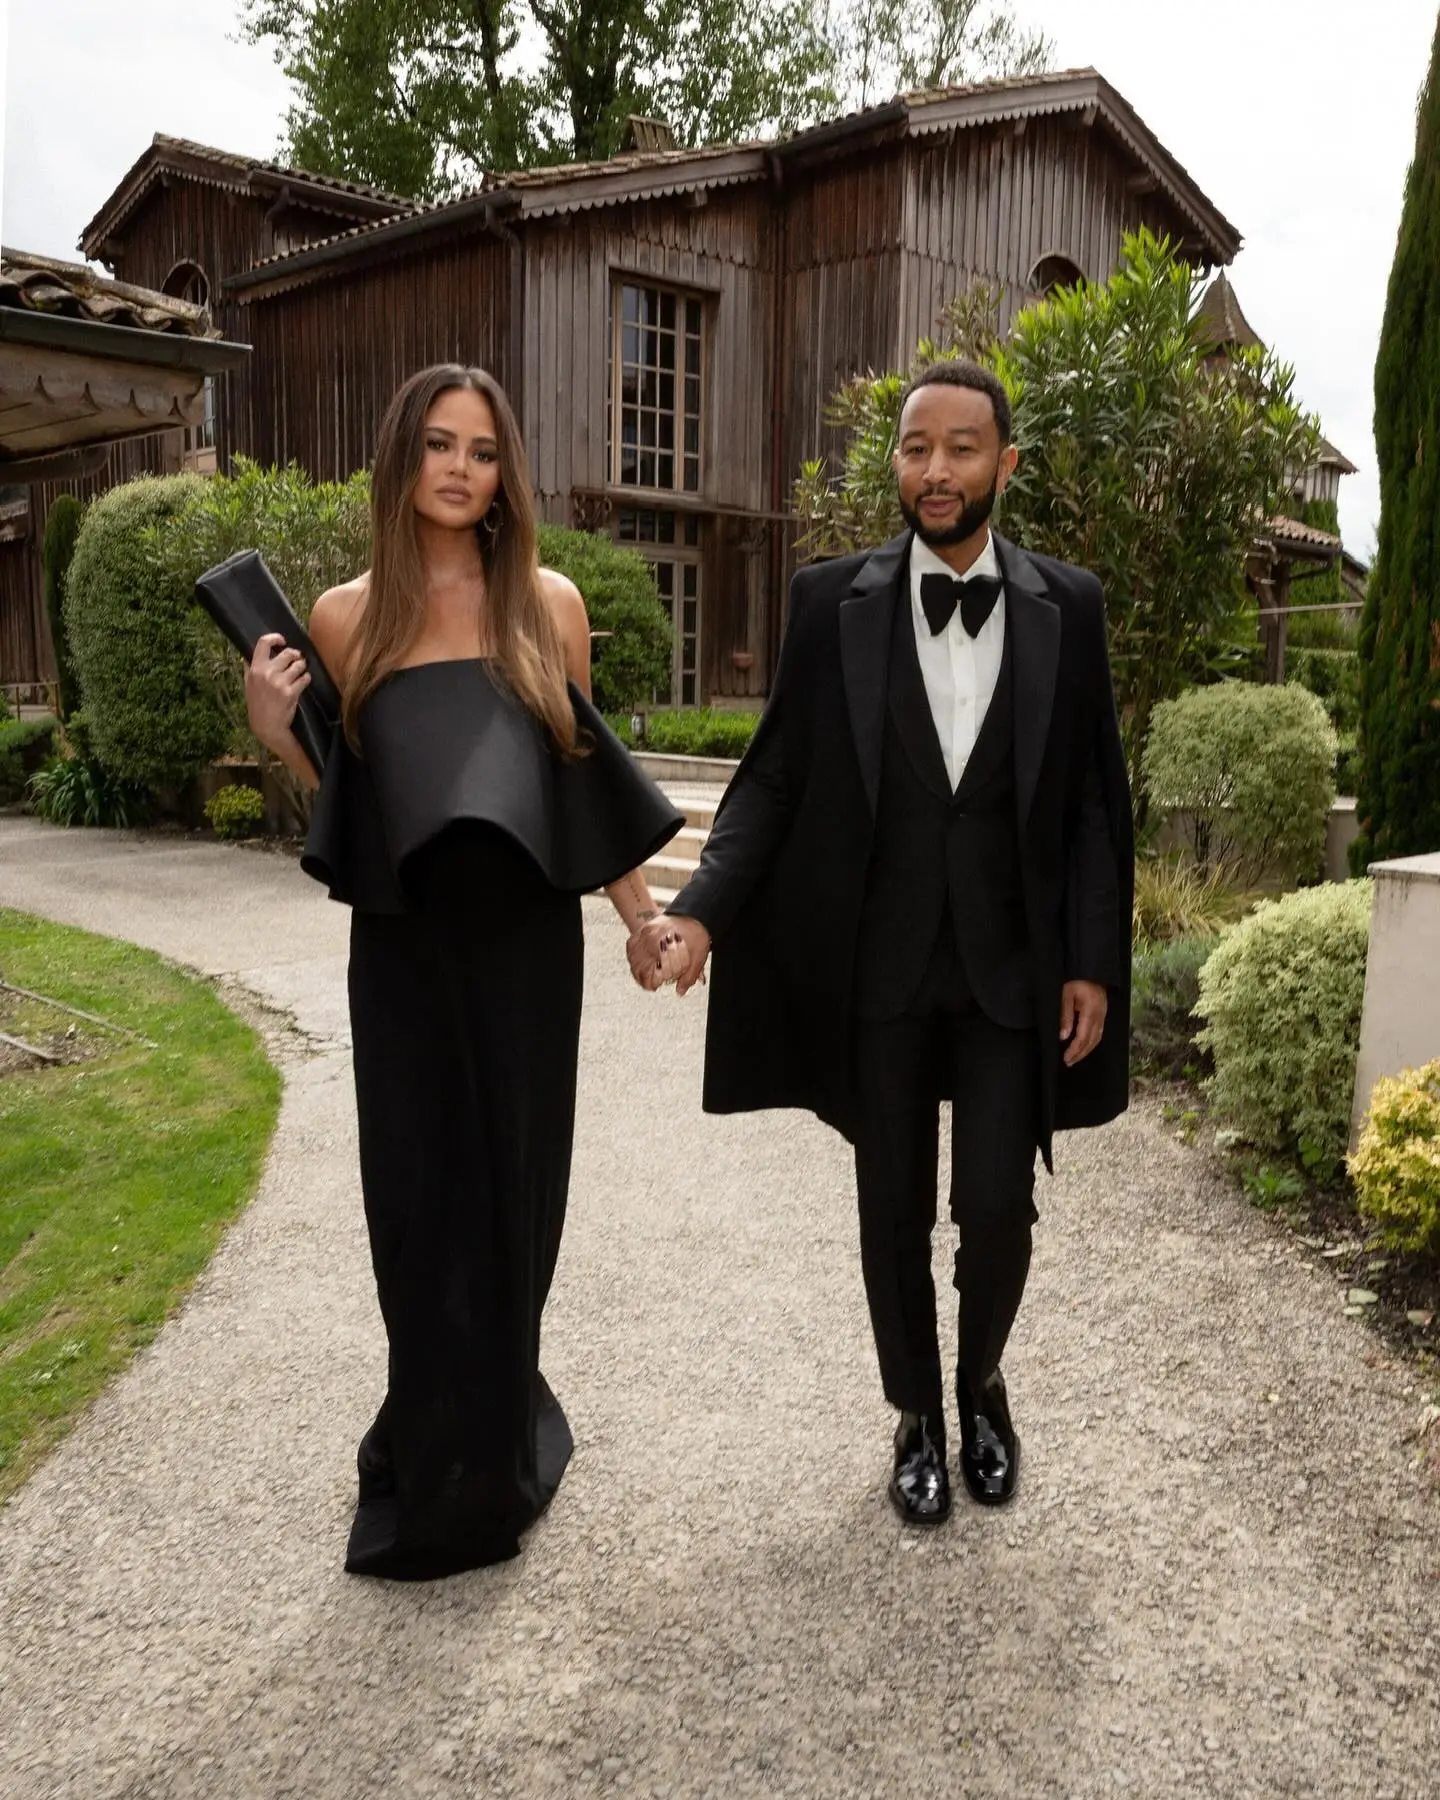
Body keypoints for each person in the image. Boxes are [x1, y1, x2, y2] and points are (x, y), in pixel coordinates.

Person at [630, 360, 1133, 1524]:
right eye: (917, 448)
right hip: (881, 971)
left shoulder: (1074, 604)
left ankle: (983, 1384)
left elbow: (1099, 801)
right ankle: (915, 1411)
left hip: (1014, 974)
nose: (937, 470)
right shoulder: (829, 603)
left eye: (963, 449)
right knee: (889, 1210)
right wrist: (699, 911)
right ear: (896, 465)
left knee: (998, 1209)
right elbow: (773, 783)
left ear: (1005, 465)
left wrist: (1092, 956)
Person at [245, 363, 688, 1580]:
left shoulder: (548, 605)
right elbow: (348, 808)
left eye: (482, 451)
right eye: (438, 445)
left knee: (516, 1196)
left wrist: (642, 920)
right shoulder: (345, 619)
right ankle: (432, 1435)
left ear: (506, 474)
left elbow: (577, 779)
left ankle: (491, 1440)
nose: (458, 468)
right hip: (403, 954)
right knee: (416, 1195)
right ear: (403, 460)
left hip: (526, 951)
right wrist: (277, 731)